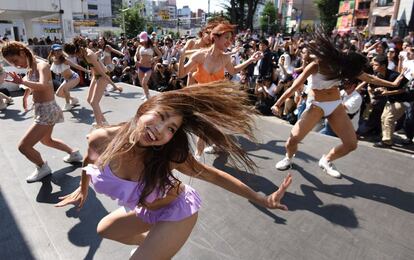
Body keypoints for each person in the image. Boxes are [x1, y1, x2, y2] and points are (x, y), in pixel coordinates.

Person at [55, 81, 292, 259]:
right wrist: (82, 188)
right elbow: (89, 159)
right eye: (160, 117)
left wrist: (260, 198)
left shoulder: (170, 156)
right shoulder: (101, 139)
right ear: (143, 109)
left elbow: (213, 175)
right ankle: (156, 245)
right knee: (104, 229)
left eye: (170, 129)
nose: (160, 130)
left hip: (177, 211)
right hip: (146, 210)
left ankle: (159, 248)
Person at [271, 30, 405, 178]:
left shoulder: (343, 64)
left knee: (351, 144)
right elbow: (294, 86)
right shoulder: (315, 66)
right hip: (316, 105)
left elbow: (369, 78)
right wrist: (278, 103)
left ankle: (327, 160)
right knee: (292, 140)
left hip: (335, 105)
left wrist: (392, 84)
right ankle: (289, 158)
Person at [178, 22, 263, 158]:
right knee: (201, 126)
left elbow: (233, 70)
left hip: (216, 97)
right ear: (215, 37)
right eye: (226, 38)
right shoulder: (200, 55)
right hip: (200, 96)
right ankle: (203, 152)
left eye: (230, 39)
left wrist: (251, 60)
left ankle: (200, 154)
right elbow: (181, 73)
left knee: (207, 126)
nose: (229, 42)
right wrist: (182, 57)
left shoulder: (225, 58)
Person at [1, 41, 83, 182]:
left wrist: (22, 82)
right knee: (46, 140)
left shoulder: (41, 65)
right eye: (12, 63)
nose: (16, 65)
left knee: (24, 146)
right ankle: (74, 153)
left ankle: (42, 167)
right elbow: (32, 85)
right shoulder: (30, 67)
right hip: (42, 109)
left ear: (22, 53)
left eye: (15, 60)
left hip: (47, 110)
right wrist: (26, 96)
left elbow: (43, 85)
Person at [66, 37, 115, 126]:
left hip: (102, 76)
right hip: (96, 76)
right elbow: (93, 67)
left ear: (78, 49)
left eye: (75, 54)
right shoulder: (84, 52)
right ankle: (103, 121)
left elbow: (102, 73)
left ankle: (100, 126)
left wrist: (114, 85)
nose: (76, 56)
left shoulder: (88, 55)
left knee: (94, 102)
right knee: (89, 100)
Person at [47, 44, 90, 111]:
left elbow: (76, 66)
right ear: (52, 52)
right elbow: (46, 63)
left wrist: (87, 70)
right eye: (56, 50)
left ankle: (68, 105)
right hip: (67, 80)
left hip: (74, 77)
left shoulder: (64, 60)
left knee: (65, 89)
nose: (58, 52)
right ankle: (73, 99)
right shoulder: (53, 59)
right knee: (58, 94)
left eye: (60, 50)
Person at [134, 31, 162, 100]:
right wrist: (136, 61)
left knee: (144, 82)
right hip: (140, 67)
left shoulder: (153, 46)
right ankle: (146, 94)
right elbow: (135, 55)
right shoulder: (140, 46)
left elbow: (160, 55)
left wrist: (154, 59)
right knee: (142, 83)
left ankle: (148, 96)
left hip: (148, 68)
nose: (142, 42)